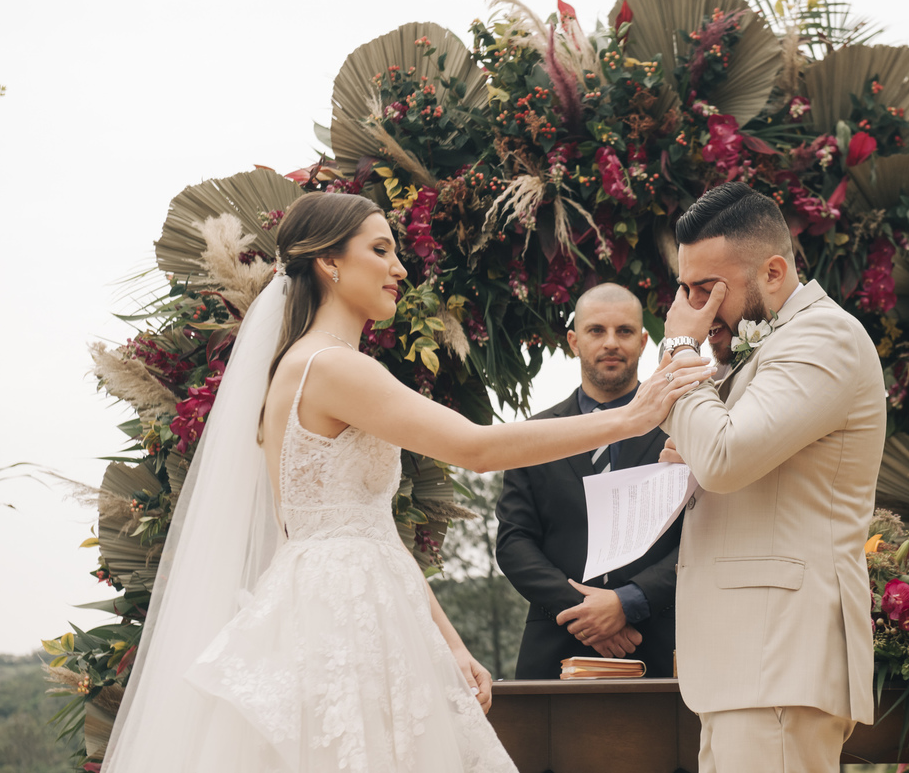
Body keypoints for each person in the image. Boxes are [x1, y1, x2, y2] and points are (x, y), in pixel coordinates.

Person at [101, 192, 714, 773]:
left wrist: (447, 641)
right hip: (341, 611)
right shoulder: (332, 366)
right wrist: (634, 416)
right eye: (380, 250)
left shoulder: (308, 365)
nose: (398, 268)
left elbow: (370, 527)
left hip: (355, 595)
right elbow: (476, 449)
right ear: (329, 264)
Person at [657, 182, 885, 773]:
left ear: (775, 271)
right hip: (747, 667)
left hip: (780, 660)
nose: (692, 310)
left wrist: (681, 349)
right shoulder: (767, 345)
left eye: (707, 291)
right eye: (685, 291)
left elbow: (728, 457)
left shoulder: (823, 337)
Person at [496, 283, 681, 679]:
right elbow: (514, 542)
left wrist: (629, 602)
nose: (611, 343)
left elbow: (701, 534)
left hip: (664, 645)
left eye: (625, 331)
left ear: (645, 340)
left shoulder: (680, 427)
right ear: (573, 340)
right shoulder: (534, 434)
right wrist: (585, 612)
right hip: (557, 644)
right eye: (597, 330)